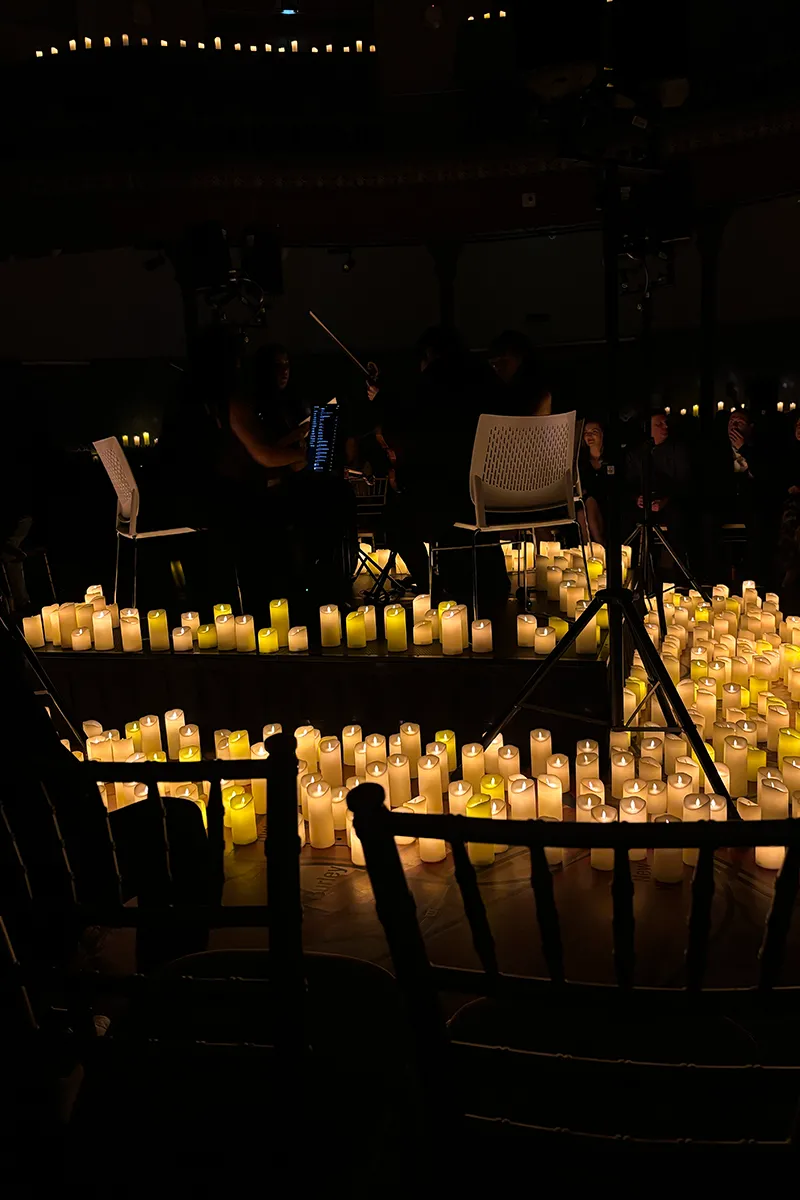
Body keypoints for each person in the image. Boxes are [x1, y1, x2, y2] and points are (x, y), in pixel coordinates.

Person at [625, 409, 692, 557]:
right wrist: (637, 498)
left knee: (678, 518)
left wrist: (665, 501)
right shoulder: (635, 453)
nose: (665, 427)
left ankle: (677, 563)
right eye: (659, 424)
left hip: (671, 503)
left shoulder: (678, 450)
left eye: (665, 423)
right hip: (643, 503)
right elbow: (628, 483)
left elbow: (684, 483)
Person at [488, 330, 552, 416]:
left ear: (520, 359)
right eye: (494, 365)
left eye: (503, 363)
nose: (498, 369)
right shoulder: (492, 389)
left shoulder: (540, 392)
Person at [578, 418, 608, 545]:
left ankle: (599, 546)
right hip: (587, 500)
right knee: (582, 511)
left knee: (589, 505)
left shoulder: (611, 459)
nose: (589, 436)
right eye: (586, 433)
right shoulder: (580, 461)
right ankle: (592, 548)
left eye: (594, 432)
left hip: (608, 500)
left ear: (602, 434)